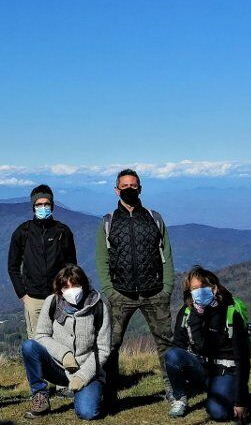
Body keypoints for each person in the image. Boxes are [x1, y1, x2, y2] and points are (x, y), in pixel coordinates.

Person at [95, 168, 176, 405]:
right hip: (121, 294)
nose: (129, 189)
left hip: (155, 292)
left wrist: (167, 287)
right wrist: (110, 290)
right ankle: (109, 394)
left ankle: (173, 390)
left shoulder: (154, 217)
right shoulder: (108, 222)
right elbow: (102, 259)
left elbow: (167, 254)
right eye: (125, 186)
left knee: (165, 345)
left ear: (140, 188)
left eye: (133, 185)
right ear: (116, 190)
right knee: (111, 345)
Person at [21, 264, 111, 420]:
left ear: (83, 285)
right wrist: (64, 354)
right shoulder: (52, 302)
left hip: (88, 370)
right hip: (59, 367)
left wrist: (82, 376)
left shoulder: (98, 307)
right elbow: (41, 335)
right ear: (60, 289)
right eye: (65, 287)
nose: (71, 291)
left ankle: (91, 392)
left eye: (74, 285)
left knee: (87, 413)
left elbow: (102, 350)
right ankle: (40, 395)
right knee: (29, 347)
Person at [164, 266, 251, 421]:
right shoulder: (187, 313)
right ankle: (179, 399)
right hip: (202, 367)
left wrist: (241, 400)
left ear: (214, 288)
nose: (199, 291)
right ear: (190, 292)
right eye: (195, 288)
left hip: (225, 370)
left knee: (218, 413)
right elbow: (178, 346)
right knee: (172, 355)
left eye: (203, 287)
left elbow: (242, 361)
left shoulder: (230, 314)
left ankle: (226, 394)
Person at [8, 184, 78, 337]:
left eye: (46, 204)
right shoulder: (23, 232)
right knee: (36, 339)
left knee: (61, 337)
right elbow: (13, 266)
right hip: (33, 298)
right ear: (33, 207)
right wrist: (23, 294)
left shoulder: (62, 231)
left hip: (58, 296)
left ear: (52, 205)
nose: (43, 207)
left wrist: (67, 290)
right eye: (39, 204)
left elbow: (72, 266)